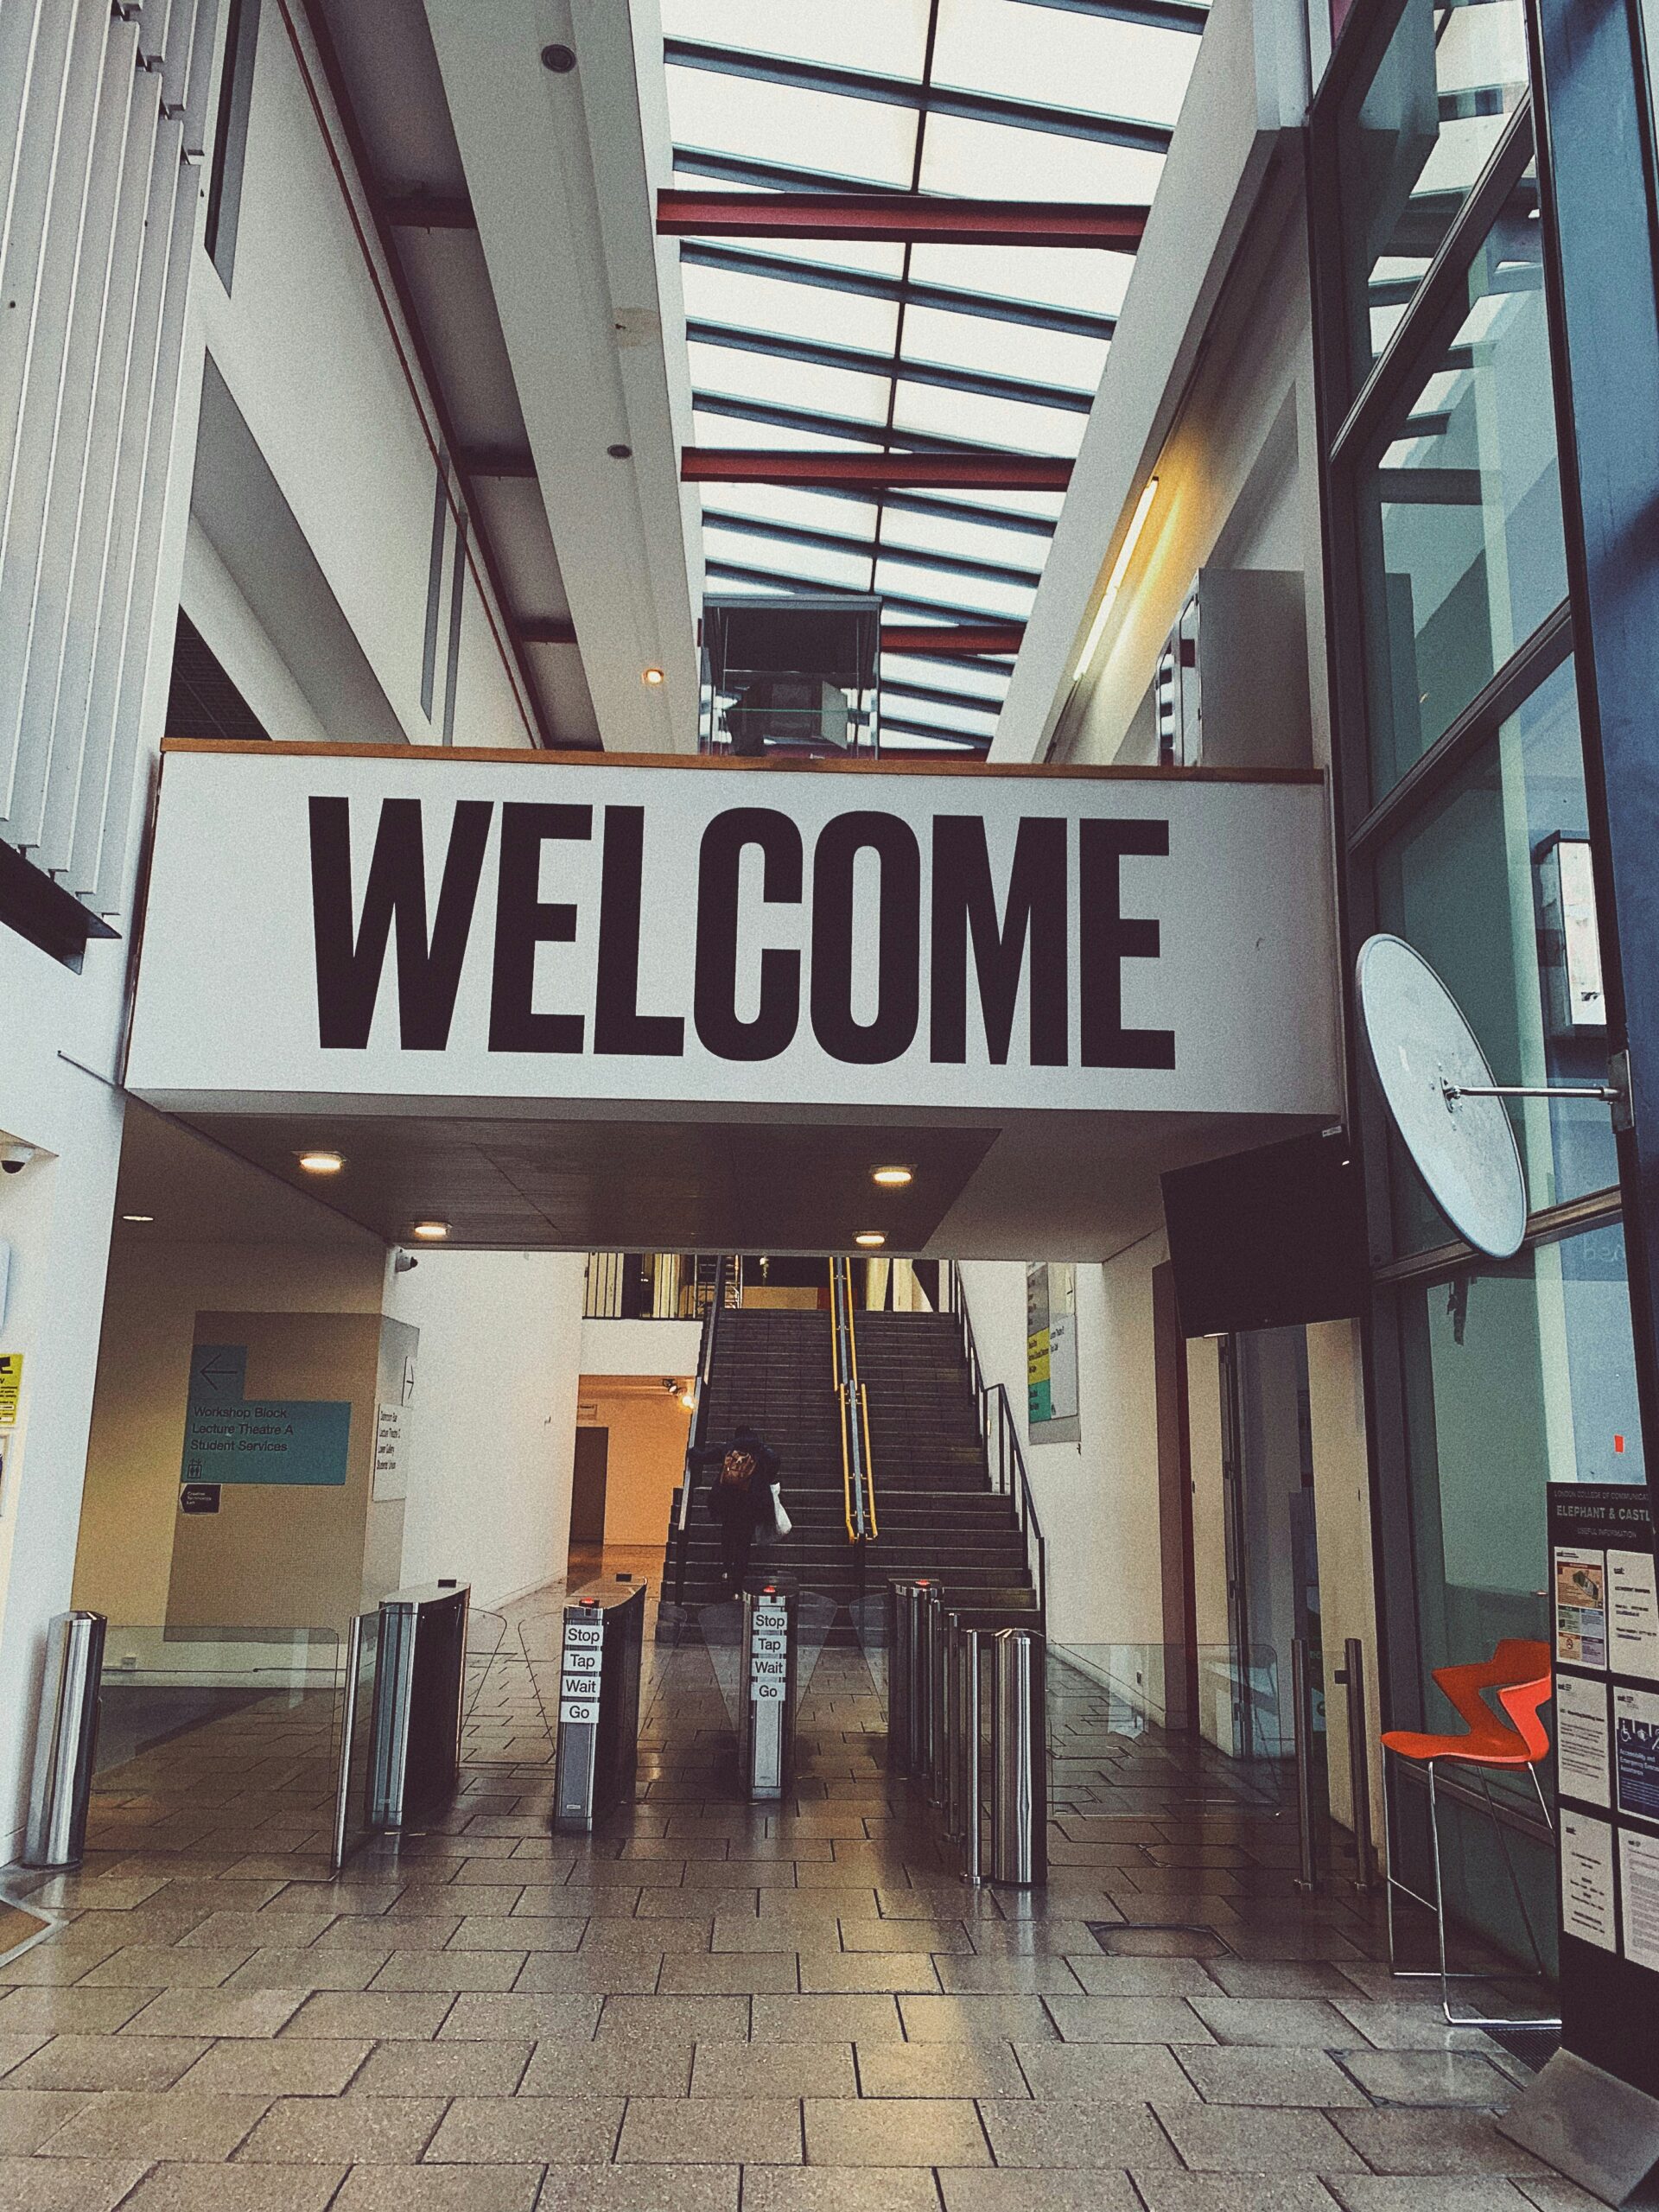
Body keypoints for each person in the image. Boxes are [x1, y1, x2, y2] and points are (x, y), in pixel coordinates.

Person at [692, 1422, 780, 1596]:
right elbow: (775, 1461)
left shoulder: (731, 1447)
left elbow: (706, 1457)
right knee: (743, 1542)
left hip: (728, 1502)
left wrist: (692, 1452)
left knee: (727, 1532)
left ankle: (726, 1568)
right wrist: (764, 1478)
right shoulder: (760, 1449)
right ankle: (738, 1583)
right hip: (749, 1505)